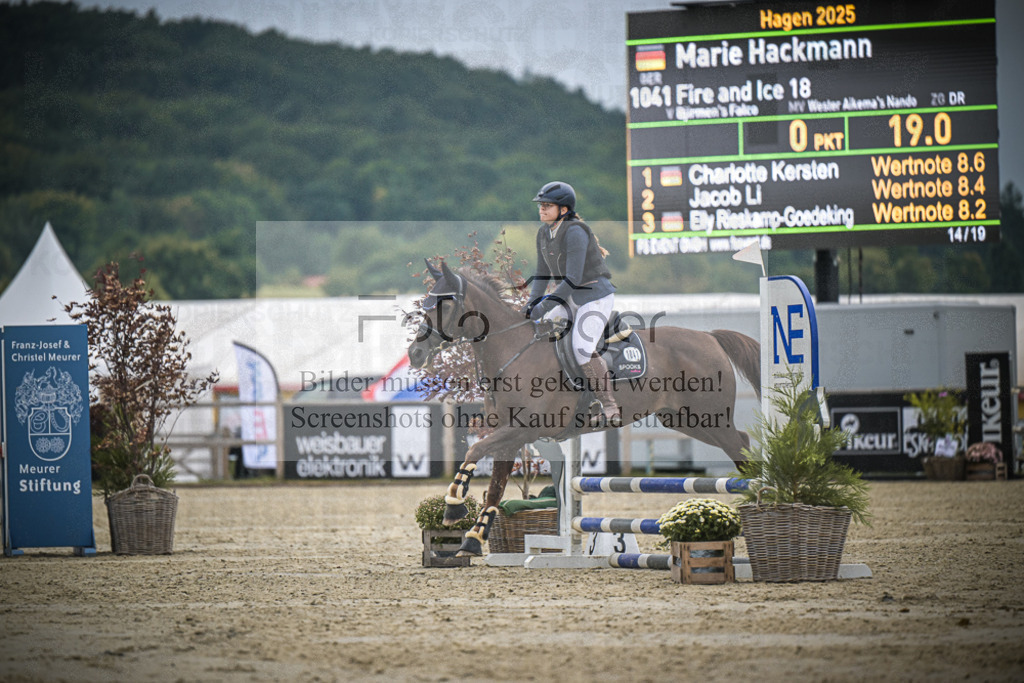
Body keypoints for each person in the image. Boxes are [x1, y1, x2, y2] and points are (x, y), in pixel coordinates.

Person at [521, 181, 620, 425]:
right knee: (538, 331)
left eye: (547, 206)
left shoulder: (575, 231)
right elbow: (542, 274)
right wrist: (531, 305)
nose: (541, 209)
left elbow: (573, 279)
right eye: (541, 206)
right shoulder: (544, 233)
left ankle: (609, 405)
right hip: (570, 297)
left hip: (594, 296)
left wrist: (544, 306)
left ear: (563, 210)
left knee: (581, 347)